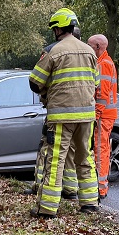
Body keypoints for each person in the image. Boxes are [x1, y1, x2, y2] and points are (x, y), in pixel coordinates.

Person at [28, 9, 100, 218]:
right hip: (87, 116)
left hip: (62, 116)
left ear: (58, 29)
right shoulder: (90, 52)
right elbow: (96, 83)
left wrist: (48, 88)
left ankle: (47, 208)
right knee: (85, 157)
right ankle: (90, 203)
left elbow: (35, 81)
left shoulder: (55, 51)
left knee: (55, 161)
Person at [23, 26, 81, 199]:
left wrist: (46, 94)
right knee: (74, 153)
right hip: (83, 114)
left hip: (59, 112)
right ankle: (71, 189)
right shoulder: (86, 53)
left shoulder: (54, 51)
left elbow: (36, 81)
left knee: (49, 151)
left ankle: (41, 186)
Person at [87, 34, 118, 200]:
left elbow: (102, 94)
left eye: (90, 45)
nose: (88, 48)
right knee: (102, 151)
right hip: (105, 115)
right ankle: (100, 187)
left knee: (100, 152)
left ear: (98, 47)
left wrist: (96, 115)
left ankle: (100, 189)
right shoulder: (104, 62)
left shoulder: (103, 64)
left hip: (103, 116)